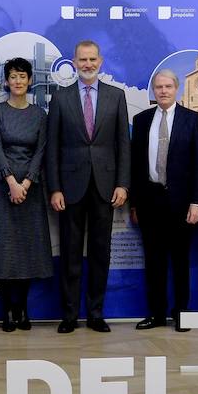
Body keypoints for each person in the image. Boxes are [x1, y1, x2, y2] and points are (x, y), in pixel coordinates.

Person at [45, 40, 130, 333]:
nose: (88, 64)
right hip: (69, 188)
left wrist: (122, 184)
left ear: (101, 61)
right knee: (69, 253)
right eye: (82, 59)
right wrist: (54, 188)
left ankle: (95, 313)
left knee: (99, 252)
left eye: (93, 59)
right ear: (74, 61)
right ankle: (69, 315)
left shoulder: (116, 97)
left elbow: (123, 145)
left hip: (106, 187)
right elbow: (52, 148)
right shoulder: (60, 98)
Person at [0, 58, 53, 331]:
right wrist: (11, 182)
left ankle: (23, 308)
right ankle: (8, 310)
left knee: (27, 251)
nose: (18, 81)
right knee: (4, 249)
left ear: (30, 80)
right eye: (13, 76)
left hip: (30, 190)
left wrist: (27, 183)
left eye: (22, 76)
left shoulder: (39, 115)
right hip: (1, 188)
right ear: (6, 81)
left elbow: (41, 151)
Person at [129, 68, 198, 331]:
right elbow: (135, 166)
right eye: (158, 87)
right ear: (153, 91)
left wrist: (197, 202)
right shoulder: (141, 121)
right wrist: (135, 203)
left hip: (182, 203)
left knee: (180, 261)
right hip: (150, 202)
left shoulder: (192, 119)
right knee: (154, 261)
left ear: (177, 89)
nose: (163, 91)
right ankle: (156, 314)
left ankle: (182, 313)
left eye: (168, 87)